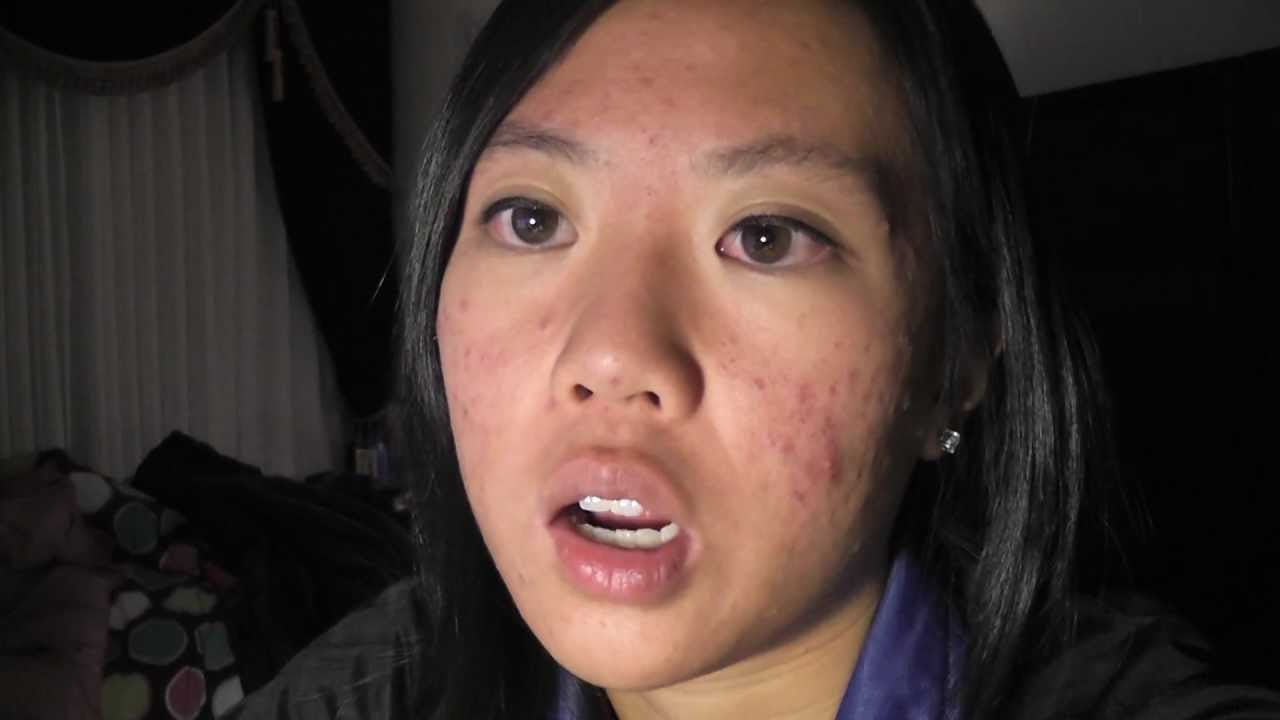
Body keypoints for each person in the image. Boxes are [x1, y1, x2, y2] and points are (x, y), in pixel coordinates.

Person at [229, 0, 1280, 718]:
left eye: (766, 237)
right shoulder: (388, 676)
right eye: (533, 218)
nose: (610, 353)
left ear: (952, 361)